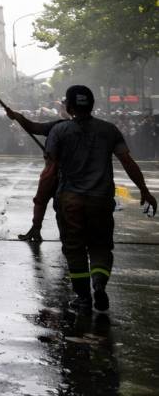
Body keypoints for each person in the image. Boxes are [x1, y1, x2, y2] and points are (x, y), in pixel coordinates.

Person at [44, 85, 157, 312]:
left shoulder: (59, 131)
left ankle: (83, 298)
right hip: (101, 200)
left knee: (75, 248)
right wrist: (144, 190)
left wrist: (42, 199)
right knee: (100, 246)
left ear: (69, 106)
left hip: (70, 200)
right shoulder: (109, 130)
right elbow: (127, 161)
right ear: (92, 104)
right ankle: (99, 283)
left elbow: (50, 167)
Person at [6, 108, 67, 242]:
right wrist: (17, 116)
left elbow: (34, 127)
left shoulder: (61, 127)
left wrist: (17, 116)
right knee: (42, 201)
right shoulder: (58, 125)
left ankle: (64, 235)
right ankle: (36, 229)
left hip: (64, 173)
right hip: (54, 170)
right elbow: (33, 127)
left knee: (61, 206)